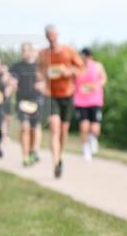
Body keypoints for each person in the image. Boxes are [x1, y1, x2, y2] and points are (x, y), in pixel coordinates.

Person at [38, 25, 84, 178]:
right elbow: (39, 72)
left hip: (67, 94)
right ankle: (56, 163)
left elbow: (81, 70)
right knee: (54, 128)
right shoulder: (43, 54)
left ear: (57, 35)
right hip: (51, 95)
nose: (51, 38)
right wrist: (40, 80)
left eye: (53, 35)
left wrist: (69, 71)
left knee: (63, 131)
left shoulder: (69, 51)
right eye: (48, 35)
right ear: (46, 37)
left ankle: (61, 155)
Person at [10, 43, 45, 167]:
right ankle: (25, 156)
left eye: (28, 50)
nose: (25, 52)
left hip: (37, 100)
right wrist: (12, 84)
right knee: (25, 127)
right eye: (23, 50)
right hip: (22, 101)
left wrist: (44, 84)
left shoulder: (40, 66)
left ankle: (34, 151)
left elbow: (48, 81)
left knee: (35, 128)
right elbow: (12, 79)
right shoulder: (16, 67)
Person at [74, 47, 108, 162]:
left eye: (86, 57)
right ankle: (85, 150)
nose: (85, 59)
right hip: (80, 101)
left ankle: (93, 138)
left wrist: (96, 85)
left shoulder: (98, 66)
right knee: (84, 127)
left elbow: (103, 79)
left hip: (95, 100)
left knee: (95, 129)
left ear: (90, 56)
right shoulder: (77, 68)